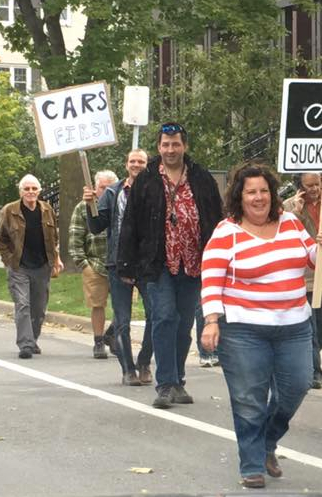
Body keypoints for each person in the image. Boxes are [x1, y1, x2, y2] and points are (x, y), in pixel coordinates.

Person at [200, 163, 322, 489]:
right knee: (249, 398)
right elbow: (212, 277)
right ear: (239, 196)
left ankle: (267, 442)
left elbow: (314, 260)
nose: (258, 198)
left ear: (272, 194)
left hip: (295, 324)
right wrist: (211, 321)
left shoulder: (290, 223)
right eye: (251, 192)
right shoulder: (226, 232)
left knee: (298, 386)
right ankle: (251, 463)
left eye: (263, 191)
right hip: (244, 329)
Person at [118, 123, 223, 408]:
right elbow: (131, 223)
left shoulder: (201, 178)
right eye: (165, 144)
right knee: (164, 317)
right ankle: (165, 384)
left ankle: (178, 381)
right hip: (159, 262)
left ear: (184, 146)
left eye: (175, 144)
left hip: (193, 264)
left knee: (183, 324)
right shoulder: (146, 180)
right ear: (158, 147)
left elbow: (216, 218)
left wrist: (221, 257)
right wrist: (127, 266)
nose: (170, 149)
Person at [86, 150, 154, 385]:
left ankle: (144, 362)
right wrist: (90, 205)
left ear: (147, 164)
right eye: (132, 161)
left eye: (141, 161)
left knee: (156, 316)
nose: (136, 164)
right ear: (126, 164)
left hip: (147, 264)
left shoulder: (156, 190)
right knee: (122, 320)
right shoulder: (113, 192)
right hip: (119, 263)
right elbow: (96, 226)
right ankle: (128, 369)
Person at [0, 174, 63, 359]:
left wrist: (56, 258)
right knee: (23, 304)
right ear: (21, 192)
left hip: (42, 265)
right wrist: (8, 260)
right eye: (27, 189)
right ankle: (25, 344)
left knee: (39, 308)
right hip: (19, 266)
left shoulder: (47, 210)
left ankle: (32, 339)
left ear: (39, 191)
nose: (31, 192)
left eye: (34, 189)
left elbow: (54, 237)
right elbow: (0, 239)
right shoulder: (9, 211)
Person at [283, 172, 322, 388]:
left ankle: (303, 360)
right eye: (309, 186)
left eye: (317, 184)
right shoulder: (288, 207)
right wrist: (296, 214)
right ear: (299, 186)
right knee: (311, 329)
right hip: (302, 277)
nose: (314, 189)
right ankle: (314, 373)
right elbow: (284, 237)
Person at [71, 170, 117, 359]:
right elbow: (75, 236)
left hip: (119, 263)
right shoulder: (83, 207)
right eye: (102, 188)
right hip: (95, 263)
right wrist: (83, 263)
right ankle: (99, 341)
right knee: (97, 305)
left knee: (123, 307)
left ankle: (112, 335)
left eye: (109, 188)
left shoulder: (120, 205)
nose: (105, 191)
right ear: (95, 188)